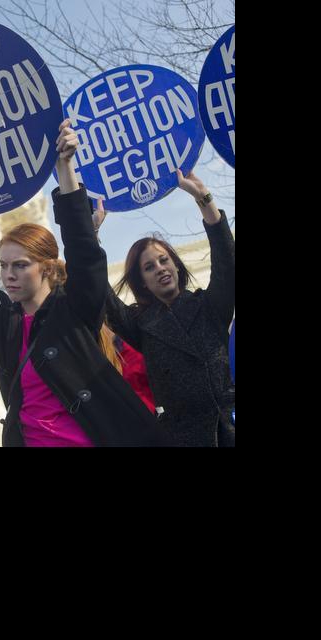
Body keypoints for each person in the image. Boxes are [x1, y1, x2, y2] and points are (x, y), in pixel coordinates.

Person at [0, 119, 169, 447]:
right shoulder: (5, 327)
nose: (8, 274)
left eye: (20, 265)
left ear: (46, 268)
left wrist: (64, 167)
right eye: (3, 265)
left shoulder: (76, 311)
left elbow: (84, 253)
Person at [99, 170, 236, 447]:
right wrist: (91, 237)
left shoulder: (210, 306)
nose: (160, 268)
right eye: (149, 267)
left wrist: (204, 199)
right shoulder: (140, 326)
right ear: (143, 283)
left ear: (176, 264)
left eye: (164, 260)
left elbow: (226, 261)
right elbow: (104, 298)